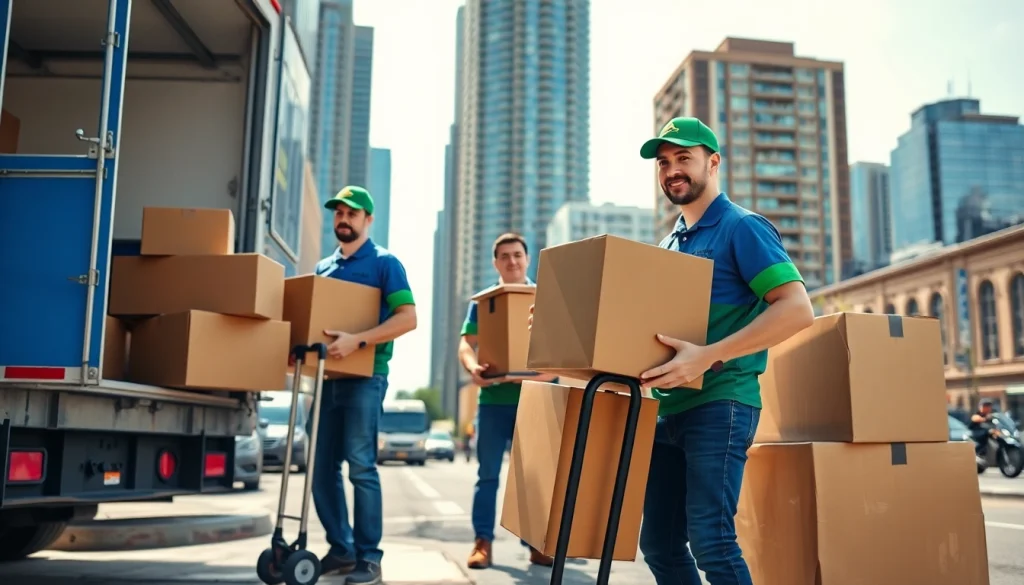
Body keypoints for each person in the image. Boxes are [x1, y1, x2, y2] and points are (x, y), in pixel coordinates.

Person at [635, 117, 815, 585]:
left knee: (712, 542)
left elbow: (797, 309)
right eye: (664, 162)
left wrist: (708, 355)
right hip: (667, 410)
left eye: (684, 159)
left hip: (721, 402)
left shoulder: (742, 228)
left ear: (713, 163)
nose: (672, 170)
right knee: (658, 545)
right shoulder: (668, 243)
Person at [309, 185, 417, 585]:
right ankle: (341, 549)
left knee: (361, 467)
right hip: (326, 379)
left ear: (368, 220)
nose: (343, 219)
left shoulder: (386, 263)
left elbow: (408, 318)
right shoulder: (323, 268)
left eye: (352, 213)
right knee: (320, 468)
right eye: (338, 212)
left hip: (366, 378)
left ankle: (369, 557)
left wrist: (359, 339)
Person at [458, 233, 558, 570]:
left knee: (531, 476)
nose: (512, 261)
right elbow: (465, 344)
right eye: (505, 256)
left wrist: (534, 376)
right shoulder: (484, 301)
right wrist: (473, 369)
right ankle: (482, 542)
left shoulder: (546, 297)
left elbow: (560, 355)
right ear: (495, 262)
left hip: (535, 398)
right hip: (493, 401)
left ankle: (534, 543)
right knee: (487, 475)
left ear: (528, 259)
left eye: (517, 254)